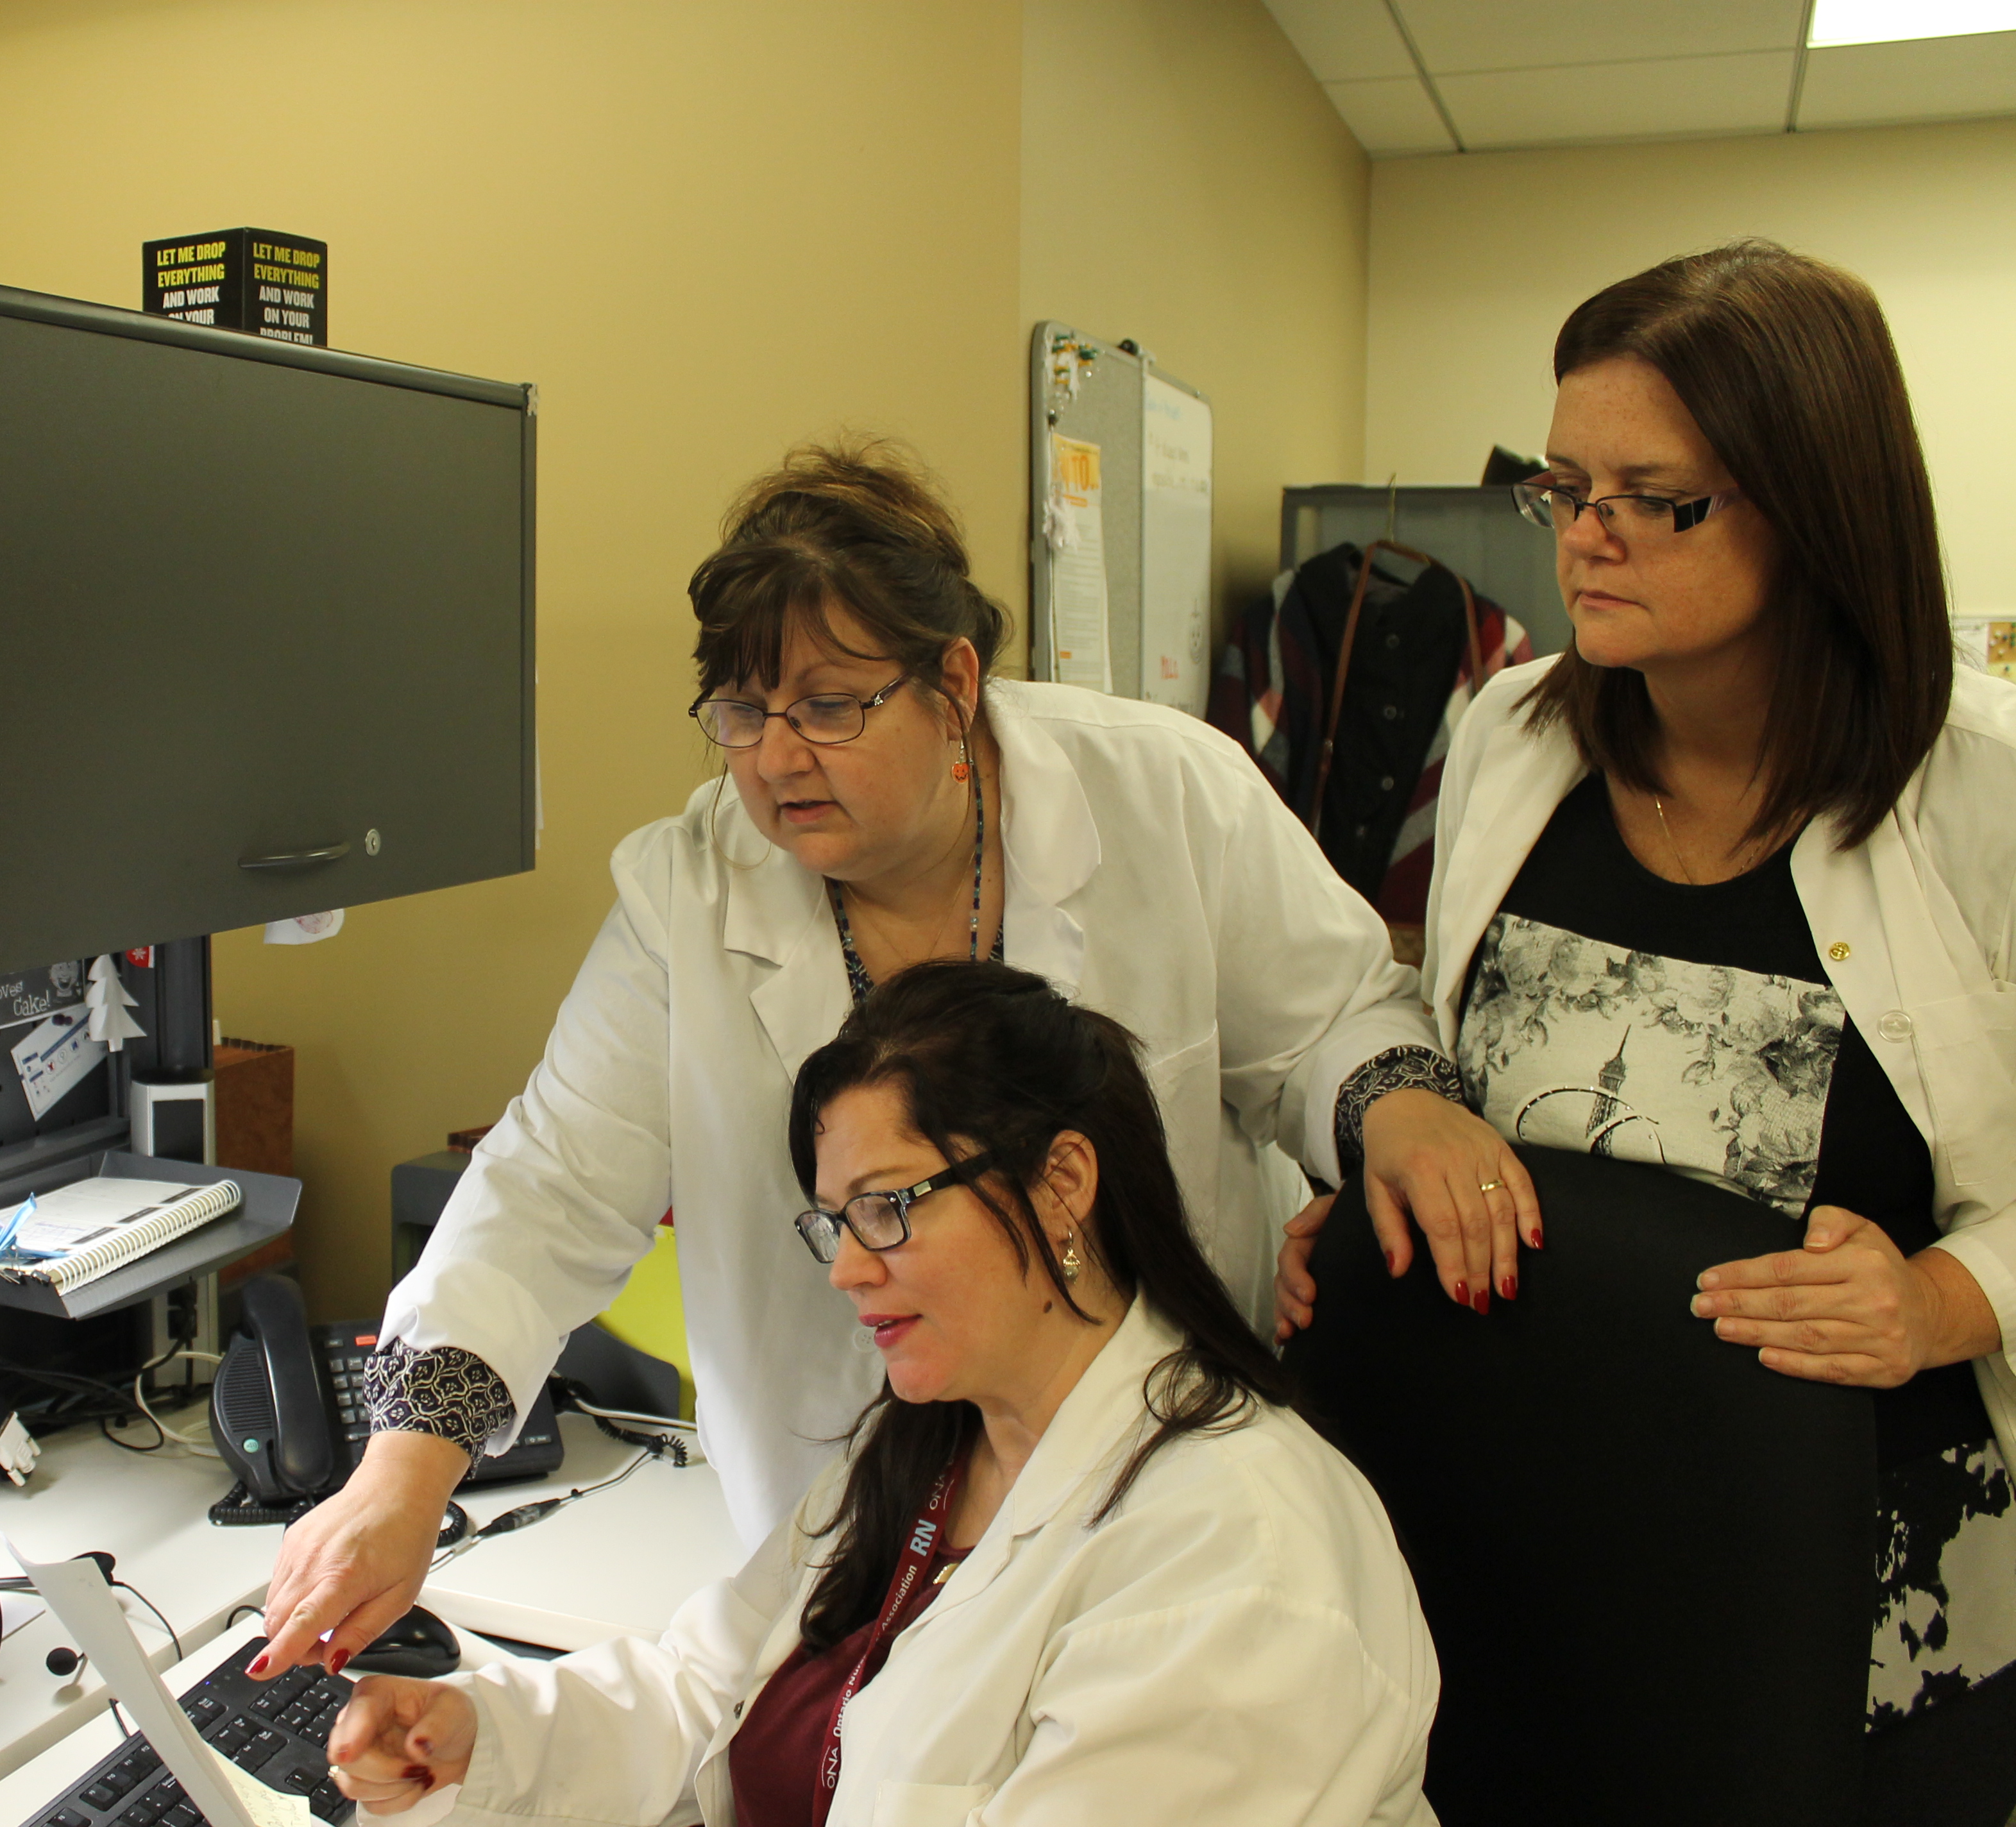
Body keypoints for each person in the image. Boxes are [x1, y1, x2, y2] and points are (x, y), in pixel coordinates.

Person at [257, 439, 1521, 1678]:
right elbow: (548, 1189)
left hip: (1157, 1471)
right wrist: (403, 1473)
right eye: (741, 710)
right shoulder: (688, 893)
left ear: (955, 682)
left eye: (828, 704)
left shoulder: (1165, 792)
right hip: (848, 1508)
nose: (772, 756)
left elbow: (1336, 1015)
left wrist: (1397, 1098)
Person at [1275, 240, 2016, 1812]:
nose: (1586, 538)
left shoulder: (1980, 794)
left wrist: (1948, 1297)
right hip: (1511, 1530)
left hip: (1853, 1591)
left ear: (1815, 506)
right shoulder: (1516, 732)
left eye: (1654, 498)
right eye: (1565, 488)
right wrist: (1385, 1152)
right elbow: (1432, 1031)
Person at [328, 962, 1438, 1826]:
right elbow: (705, 1698)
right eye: (835, 1222)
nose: (848, 1268)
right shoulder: (928, 1449)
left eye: (890, 1207)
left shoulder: (1238, 1554)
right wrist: (476, 1736)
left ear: (1063, 1184)